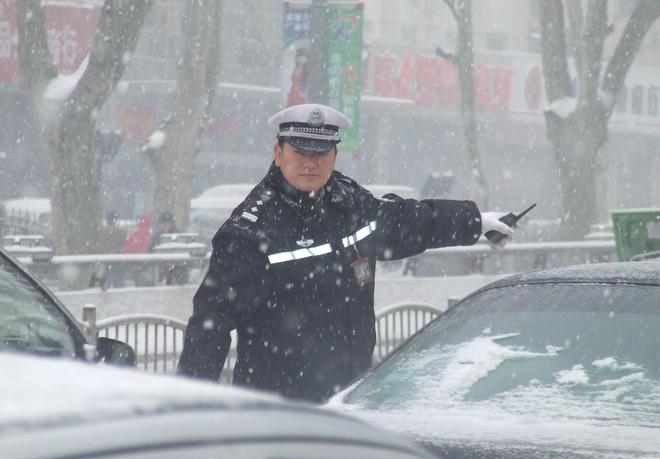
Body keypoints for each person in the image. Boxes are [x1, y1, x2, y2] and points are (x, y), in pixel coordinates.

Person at [177, 103, 514, 403]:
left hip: (351, 398)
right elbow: (211, 324)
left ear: (334, 157)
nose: (311, 163)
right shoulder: (251, 229)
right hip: (279, 408)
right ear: (278, 154)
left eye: (321, 154)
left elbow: (408, 222)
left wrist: (477, 222)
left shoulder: (349, 202)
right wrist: (189, 411)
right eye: (300, 153)